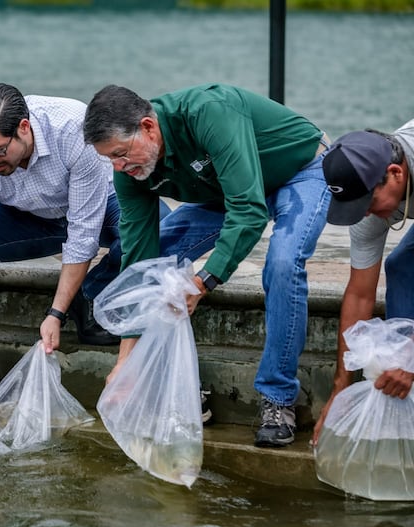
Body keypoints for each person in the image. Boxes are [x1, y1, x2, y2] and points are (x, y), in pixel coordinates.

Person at [83, 83, 332, 448]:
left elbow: (248, 212)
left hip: (299, 169)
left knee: (282, 262)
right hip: (224, 190)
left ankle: (278, 399)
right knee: (157, 256)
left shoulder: (209, 112)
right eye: (110, 161)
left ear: (149, 127)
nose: (119, 167)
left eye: (121, 155)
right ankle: (178, 386)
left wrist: (201, 283)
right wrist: (126, 362)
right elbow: (140, 256)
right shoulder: (128, 169)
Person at [0, 82, 142, 405]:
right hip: (27, 216)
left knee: (157, 226)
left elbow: (83, 234)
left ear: (23, 128)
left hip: (101, 207)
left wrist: (56, 312)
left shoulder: (73, 129)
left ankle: (86, 293)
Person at [312, 120, 414, 445]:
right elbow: (359, 296)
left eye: (369, 203)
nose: (365, 214)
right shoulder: (366, 202)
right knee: (401, 268)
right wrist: (339, 393)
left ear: (396, 174)